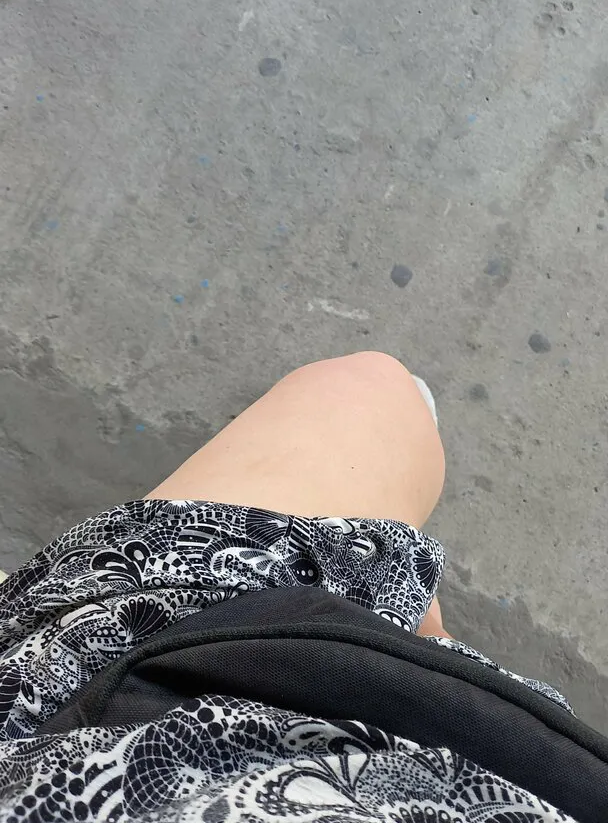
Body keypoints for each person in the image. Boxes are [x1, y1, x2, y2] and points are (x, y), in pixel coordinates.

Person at [0, 351, 604, 822]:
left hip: (137, 683)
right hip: (505, 748)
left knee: (372, 390)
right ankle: (421, 608)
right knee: (381, 427)